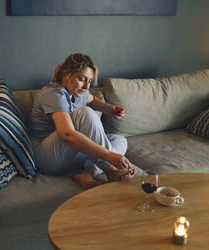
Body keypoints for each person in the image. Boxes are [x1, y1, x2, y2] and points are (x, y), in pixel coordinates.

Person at [27, 53, 136, 189]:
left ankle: (88, 172)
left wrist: (110, 109)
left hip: (68, 156)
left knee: (119, 140)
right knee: (84, 113)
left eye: (89, 81)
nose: (86, 86)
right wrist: (110, 156)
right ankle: (110, 170)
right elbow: (67, 135)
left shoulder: (78, 91)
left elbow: (92, 100)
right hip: (46, 159)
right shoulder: (54, 94)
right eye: (82, 79)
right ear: (67, 74)